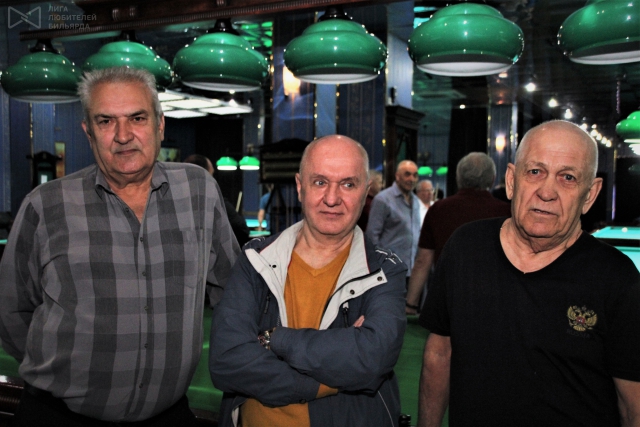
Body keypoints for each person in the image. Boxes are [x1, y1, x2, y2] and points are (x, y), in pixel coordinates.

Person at [0, 67, 239, 426]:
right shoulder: (45, 205)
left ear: (160, 125)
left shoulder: (199, 190)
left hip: (168, 416)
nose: (123, 135)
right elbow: (11, 312)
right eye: (106, 121)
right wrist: (65, 375)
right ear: (89, 132)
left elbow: (231, 289)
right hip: (57, 417)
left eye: (137, 118)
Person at [418, 120, 640, 427]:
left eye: (568, 177)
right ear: (511, 181)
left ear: (590, 194)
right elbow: (439, 353)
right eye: (535, 171)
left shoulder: (617, 279)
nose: (546, 192)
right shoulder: (465, 247)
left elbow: (633, 405)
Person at [209, 135, 407, 427]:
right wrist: (324, 382)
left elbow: (372, 358)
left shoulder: (384, 270)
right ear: (300, 187)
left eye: (348, 184)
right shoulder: (255, 258)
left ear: (366, 192)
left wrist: (275, 339)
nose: (332, 198)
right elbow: (226, 360)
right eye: (320, 182)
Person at [405, 153, 510, 314]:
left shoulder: (438, 210)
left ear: (458, 178)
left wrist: (411, 305)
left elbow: (423, 261)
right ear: (492, 179)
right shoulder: (506, 213)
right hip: (496, 301)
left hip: (448, 301)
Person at [366, 160, 421, 281]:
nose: (411, 179)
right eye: (407, 174)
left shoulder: (416, 201)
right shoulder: (382, 199)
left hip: (412, 271)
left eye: (415, 175)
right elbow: (372, 236)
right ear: (397, 176)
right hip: (389, 272)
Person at [184, 153, 251, 246]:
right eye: (212, 174)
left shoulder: (177, 201)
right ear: (205, 175)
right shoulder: (215, 201)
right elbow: (242, 230)